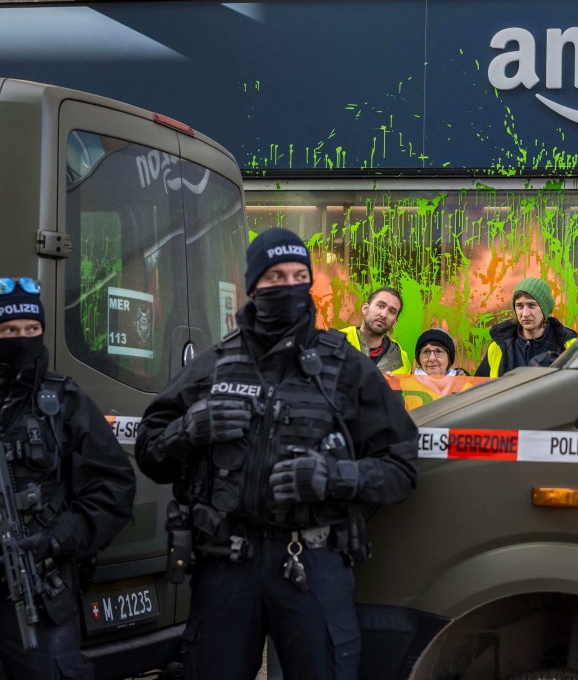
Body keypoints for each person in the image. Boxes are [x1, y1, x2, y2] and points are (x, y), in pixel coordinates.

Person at [135, 228, 418, 680]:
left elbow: (401, 467)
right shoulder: (216, 363)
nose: (287, 286)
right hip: (227, 565)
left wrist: (334, 477)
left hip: (313, 561)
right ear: (252, 286)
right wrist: (190, 430)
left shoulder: (345, 367)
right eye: (274, 277)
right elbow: (150, 450)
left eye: (298, 275)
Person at [0, 276, 136, 680]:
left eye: (32, 330)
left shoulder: (66, 403)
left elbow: (114, 489)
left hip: (40, 590)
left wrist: (57, 537)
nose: (21, 339)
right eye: (8, 331)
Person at [475, 277, 578, 378]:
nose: (525, 313)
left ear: (544, 309)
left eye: (531, 305)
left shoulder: (568, 346)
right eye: (520, 306)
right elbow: (478, 387)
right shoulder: (498, 347)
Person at [339, 286, 411, 374]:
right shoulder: (336, 342)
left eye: (392, 311)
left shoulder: (401, 360)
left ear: (395, 322)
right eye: (380, 306)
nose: (384, 314)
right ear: (365, 309)